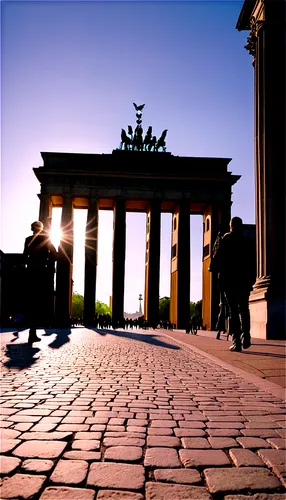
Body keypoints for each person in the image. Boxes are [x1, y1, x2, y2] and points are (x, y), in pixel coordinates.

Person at [210, 217, 254, 352]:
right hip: (244, 281)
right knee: (244, 309)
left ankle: (237, 342)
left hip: (229, 281)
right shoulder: (247, 241)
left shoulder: (226, 239)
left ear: (231, 226)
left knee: (233, 311)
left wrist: (213, 267)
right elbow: (252, 262)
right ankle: (246, 336)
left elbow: (217, 257)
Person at [23, 220, 55, 345]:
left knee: (31, 302)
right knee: (40, 301)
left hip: (31, 272)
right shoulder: (46, 238)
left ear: (32, 229)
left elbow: (25, 255)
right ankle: (34, 331)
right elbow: (53, 255)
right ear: (41, 229)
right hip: (42, 273)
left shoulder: (27, 239)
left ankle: (32, 332)